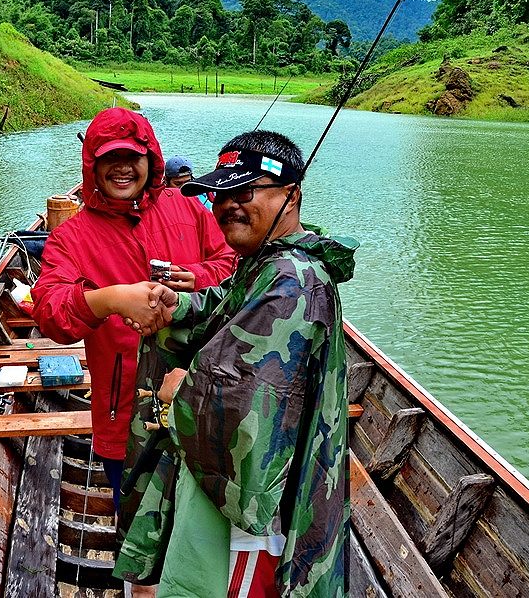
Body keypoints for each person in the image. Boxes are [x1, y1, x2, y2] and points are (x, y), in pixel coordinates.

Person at [114, 130, 358, 597]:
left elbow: (252, 407)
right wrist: (177, 305)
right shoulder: (269, 264)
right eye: (221, 193)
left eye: (244, 192)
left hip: (256, 509)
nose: (227, 205)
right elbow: (229, 307)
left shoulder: (293, 281)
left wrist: (180, 392)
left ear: (292, 195)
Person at [30, 106, 235, 503]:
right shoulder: (71, 237)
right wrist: (111, 299)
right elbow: (50, 313)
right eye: (110, 158)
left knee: (199, 523)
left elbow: (231, 264)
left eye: (132, 157)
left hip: (204, 401)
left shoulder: (188, 207)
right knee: (134, 519)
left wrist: (196, 278)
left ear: (151, 160)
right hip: (122, 415)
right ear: (92, 164)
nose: (122, 168)